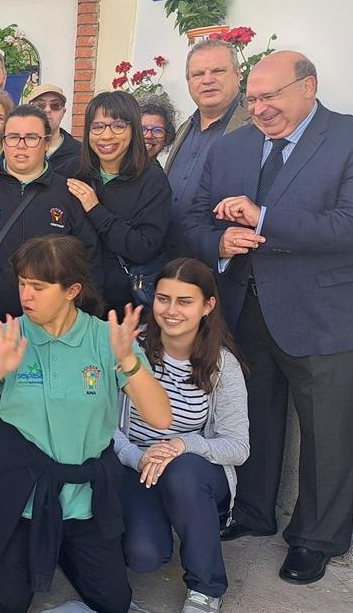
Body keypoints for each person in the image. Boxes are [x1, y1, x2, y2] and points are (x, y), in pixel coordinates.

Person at [183, 50, 353, 585]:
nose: (260, 108)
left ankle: (316, 539)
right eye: (252, 99)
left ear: (308, 87)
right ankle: (252, 511)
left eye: (270, 96)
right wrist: (218, 241)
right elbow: (192, 221)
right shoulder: (231, 146)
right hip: (244, 310)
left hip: (324, 316)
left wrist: (263, 217)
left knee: (326, 433)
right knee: (253, 418)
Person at [0, 234, 171, 613]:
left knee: (114, 603)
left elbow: (160, 417)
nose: (26, 296)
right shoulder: (10, 334)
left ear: (71, 291)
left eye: (39, 287)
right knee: (8, 602)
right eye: (22, 284)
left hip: (84, 495)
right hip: (21, 491)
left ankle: (63, 545)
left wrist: (128, 362)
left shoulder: (106, 339)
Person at [0, 105, 101, 512]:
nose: (21, 146)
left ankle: (37, 476)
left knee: (39, 403)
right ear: (0, 141)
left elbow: (88, 254)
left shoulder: (68, 193)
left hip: (49, 329)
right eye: (13, 138)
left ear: (47, 141)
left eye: (30, 138)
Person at [113, 258, 249, 613]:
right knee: (143, 556)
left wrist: (184, 444)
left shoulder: (222, 364)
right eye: (163, 299)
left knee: (183, 471)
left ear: (208, 306)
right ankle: (166, 519)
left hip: (194, 472)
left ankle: (207, 587)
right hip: (136, 466)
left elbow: (238, 446)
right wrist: (137, 456)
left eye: (185, 301)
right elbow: (102, 425)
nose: (171, 311)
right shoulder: (131, 348)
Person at [66, 91, 172, 313]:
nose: (106, 136)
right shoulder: (74, 172)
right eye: (97, 127)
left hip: (125, 308)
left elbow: (143, 248)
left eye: (117, 126)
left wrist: (95, 210)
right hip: (76, 303)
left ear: (133, 129)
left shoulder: (152, 181)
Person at [163, 39, 249, 258]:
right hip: (172, 261)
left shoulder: (256, 125)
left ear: (238, 74)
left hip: (222, 263)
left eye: (218, 71)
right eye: (198, 74)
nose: (207, 80)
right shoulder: (184, 128)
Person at [27, 84, 82, 177]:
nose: (47, 110)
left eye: (55, 105)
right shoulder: (15, 147)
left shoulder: (80, 152)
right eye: (40, 105)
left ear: (63, 112)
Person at [138, 94, 178, 162]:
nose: (148, 135)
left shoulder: (157, 172)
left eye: (157, 130)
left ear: (166, 139)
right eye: (142, 129)